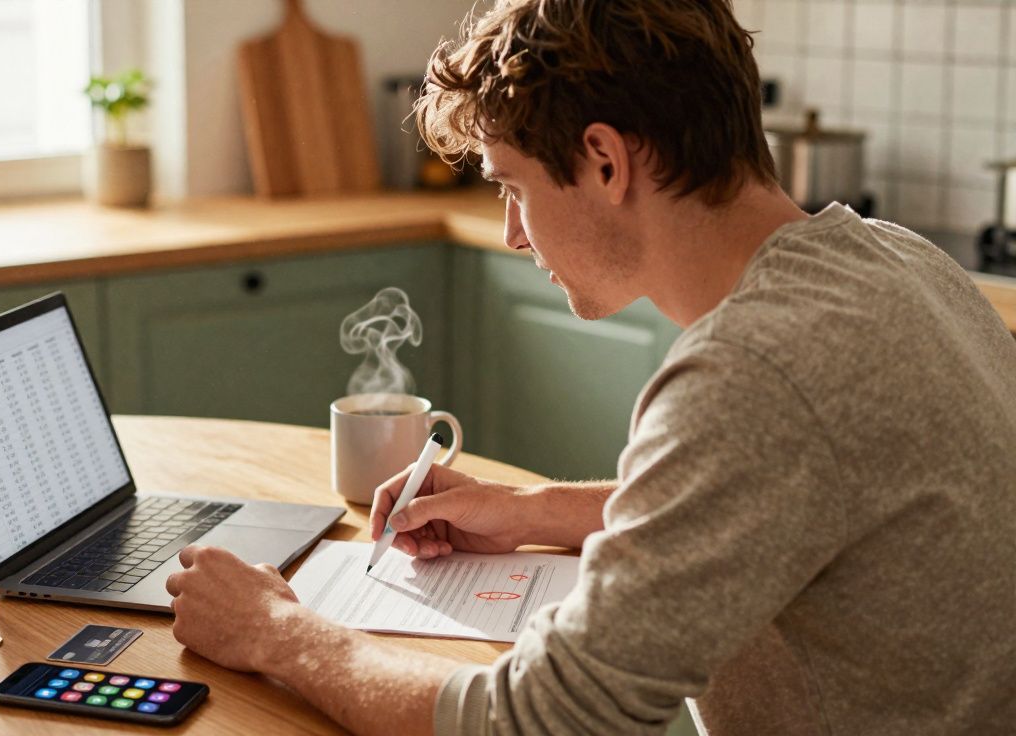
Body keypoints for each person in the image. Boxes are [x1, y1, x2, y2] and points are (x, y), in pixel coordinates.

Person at [165, 0, 1016, 733]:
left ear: (607, 161)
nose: (513, 233)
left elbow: (540, 722)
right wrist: (536, 509)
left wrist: (279, 631)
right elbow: (795, 500)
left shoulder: (752, 372)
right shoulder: (896, 261)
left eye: (512, 186)